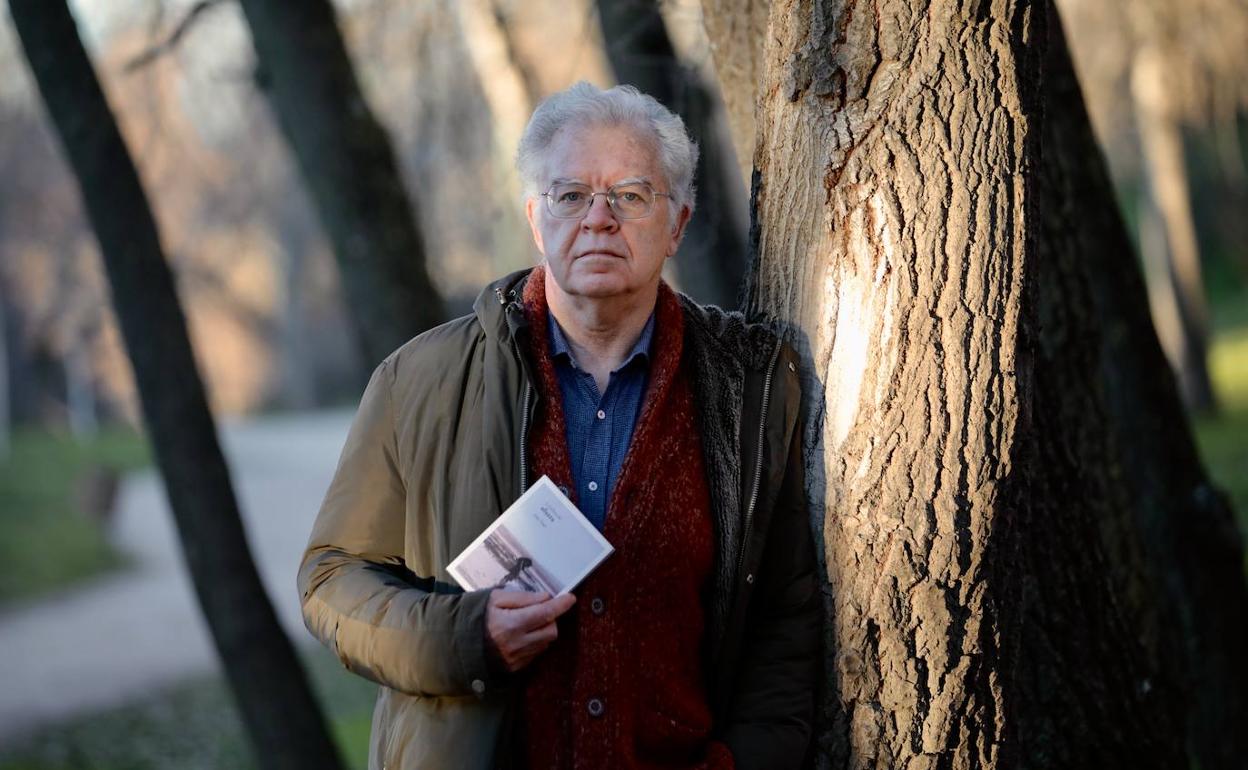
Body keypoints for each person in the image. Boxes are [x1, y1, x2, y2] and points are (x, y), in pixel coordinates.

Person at [298, 81, 820, 770]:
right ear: (534, 218)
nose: (599, 218)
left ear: (679, 223)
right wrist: (463, 637)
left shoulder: (748, 388)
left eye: (630, 195)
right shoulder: (419, 380)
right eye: (570, 195)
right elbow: (332, 580)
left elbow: (786, 620)